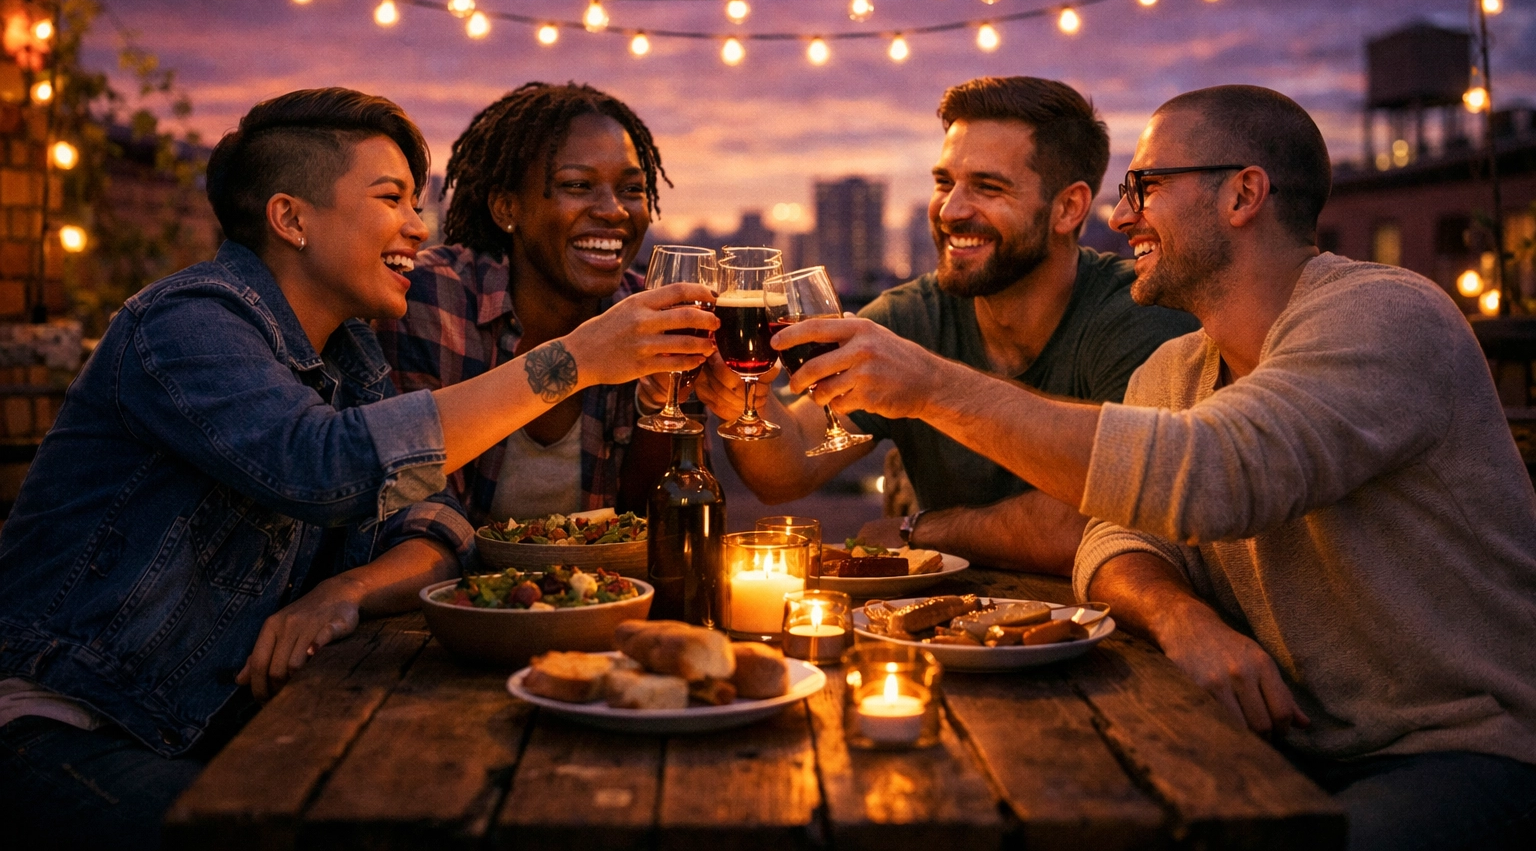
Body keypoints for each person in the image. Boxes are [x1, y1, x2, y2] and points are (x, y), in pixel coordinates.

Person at [771, 85, 1536, 849]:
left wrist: (934, 388)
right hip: (1279, 742)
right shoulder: (1177, 366)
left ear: (1243, 193)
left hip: (1460, 750)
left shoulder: (1387, 316)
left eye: (1146, 186)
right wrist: (1179, 616)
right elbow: (1111, 539)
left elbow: (1215, 475)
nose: (1122, 215)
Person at [0, 88, 715, 849]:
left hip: (214, 722)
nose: (419, 226)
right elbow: (324, 468)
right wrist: (574, 361)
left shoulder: (350, 358)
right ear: (292, 219)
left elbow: (429, 516)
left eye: (417, 202)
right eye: (391, 199)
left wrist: (350, 590)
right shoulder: (186, 321)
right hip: (69, 722)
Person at [695, 76, 1196, 575]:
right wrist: (745, 400)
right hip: (942, 635)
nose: (951, 210)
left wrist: (922, 529)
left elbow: (1121, 517)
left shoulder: (1137, 311)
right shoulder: (910, 317)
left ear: (1068, 208)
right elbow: (786, 471)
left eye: (987, 187)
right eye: (944, 182)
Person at [376, 82, 683, 527]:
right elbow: (406, 500)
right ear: (506, 207)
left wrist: (658, 408)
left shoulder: (649, 314)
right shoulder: (430, 297)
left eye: (632, 190)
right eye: (578, 185)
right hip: (449, 594)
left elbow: (648, 524)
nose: (614, 210)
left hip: (607, 594)